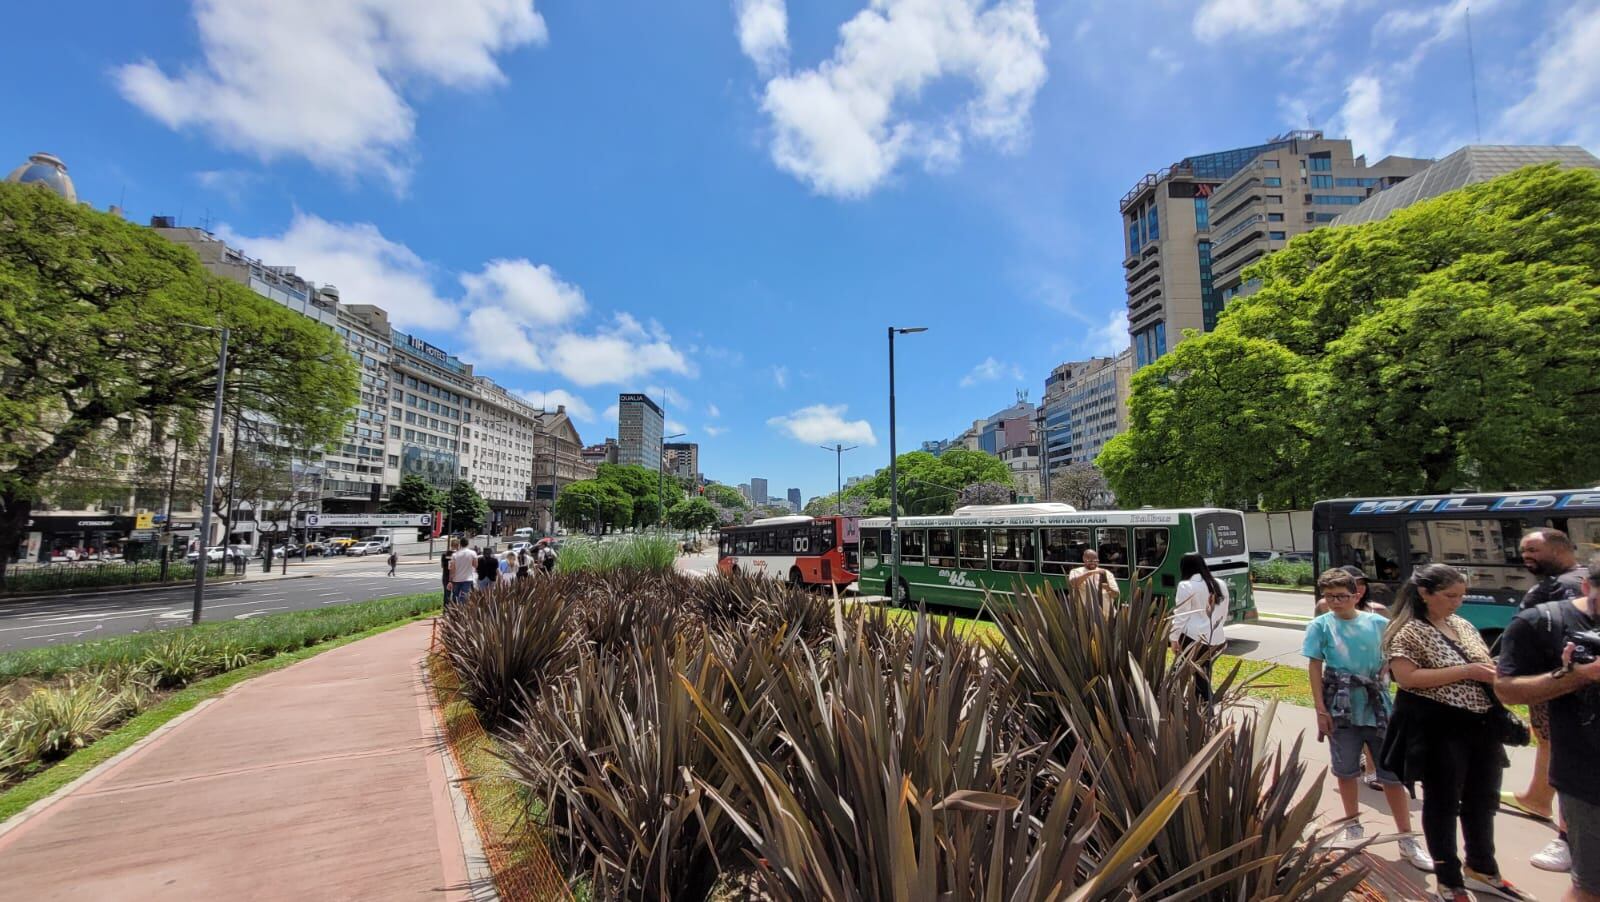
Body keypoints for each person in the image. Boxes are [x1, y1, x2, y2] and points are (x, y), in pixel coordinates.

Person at [1380, 564, 1531, 902]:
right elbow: (1407, 678)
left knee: (1483, 798)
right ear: (1424, 594)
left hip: (1479, 724)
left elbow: (1483, 664)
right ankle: (1449, 879)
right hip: (1437, 727)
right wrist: (1466, 671)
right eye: (1450, 596)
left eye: (1462, 595)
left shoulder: (1461, 624)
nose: (1457, 602)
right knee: (1443, 801)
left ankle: (1481, 867)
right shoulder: (1407, 631)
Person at [1304, 568, 1431, 869]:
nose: (1335, 602)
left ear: (1356, 595)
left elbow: (1399, 656)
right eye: (1329, 596)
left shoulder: (1378, 623)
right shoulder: (1320, 626)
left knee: (1391, 776)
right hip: (1340, 708)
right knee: (1345, 771)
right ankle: (1353, 826)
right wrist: (1320, 709)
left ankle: (1406, 836)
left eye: (1341, 596)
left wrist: (1388, 674)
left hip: (1378, 707)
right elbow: (1314, 668)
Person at [1496, 550, 1600, 902]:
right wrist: (1577, 676)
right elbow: (1506, 690)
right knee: (1591, 886)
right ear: (1586, 586)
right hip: (1588, 777)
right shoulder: (1540, 622)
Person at [1505, 527, 1588, 873]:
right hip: (1562, 683)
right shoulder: (1576, 578)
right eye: (1524, 550)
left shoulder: (1563, 587)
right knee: (1549, 744)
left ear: (1560, 548)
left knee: (1563, 750)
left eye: (1534, 550)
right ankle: (1537, 798)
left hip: (1563, 687)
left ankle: (1568, 840)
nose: (1527, 556)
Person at [1169, 552, 1228, 703]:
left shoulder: (1186, 585)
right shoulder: (1220, 584)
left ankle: (1200, 710)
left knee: (1183, 675)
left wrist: (1173, 638)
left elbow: (1181, 614)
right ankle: (1203, 711)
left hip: (1192, 637)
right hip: (1214, 637)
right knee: (1203, 674)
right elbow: (1224, 611)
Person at [448, 539, 476, 605]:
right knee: (464, 595)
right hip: (468, 578)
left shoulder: (454, 555)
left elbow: (452, 569)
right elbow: (475, 565)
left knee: (455, 595)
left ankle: (455, 611)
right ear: (468, 544)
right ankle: (462, 610)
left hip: (456, 579)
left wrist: (450, 580)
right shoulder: (472, 553)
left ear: (460, 544)